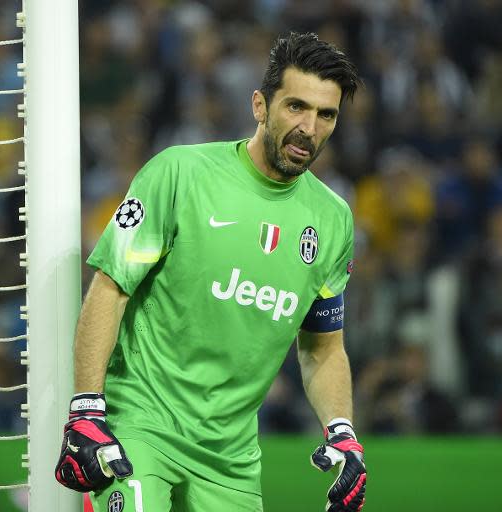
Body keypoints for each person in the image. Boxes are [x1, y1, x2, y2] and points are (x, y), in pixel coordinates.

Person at [55, 32, 366, 512]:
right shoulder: (179, 174)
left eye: (326, 114)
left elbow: (323, 347)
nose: (310, 127)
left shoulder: (332, 220)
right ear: (260, 105)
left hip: (230, 456)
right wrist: (85, 411)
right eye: (297, 107)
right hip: (141, 426)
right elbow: (109, 288)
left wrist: (342, 433)